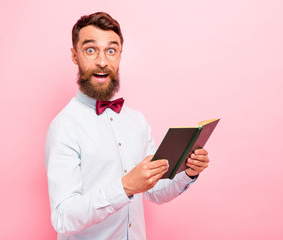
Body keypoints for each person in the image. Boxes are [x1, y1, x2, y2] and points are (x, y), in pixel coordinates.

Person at [44, 12, 210, 240]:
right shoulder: (64, 127)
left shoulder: (137, 121)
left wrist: (187, 172)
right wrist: (124, 187)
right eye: (90, 50)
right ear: (75, 56)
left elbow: (154, 190)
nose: (102, 61)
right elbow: (63, 216)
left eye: (111, 51)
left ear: (120, 55)